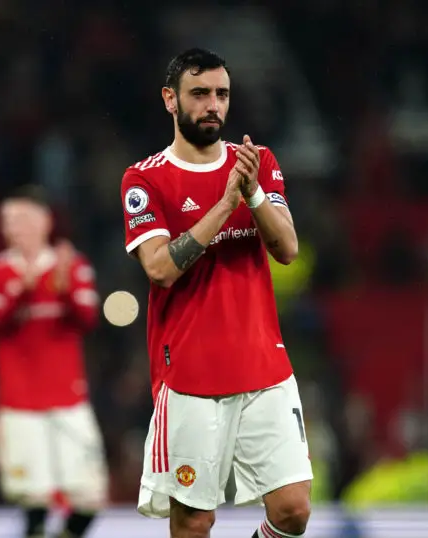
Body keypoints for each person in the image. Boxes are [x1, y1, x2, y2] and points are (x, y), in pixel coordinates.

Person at [120, 48, 313, 538]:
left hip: (263, 365)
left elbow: (287, 249)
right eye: (200, 93)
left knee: (293, 509)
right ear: (170, 99)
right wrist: (226, 205)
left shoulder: (256, 163)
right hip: (190, 373)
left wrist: (251, 194)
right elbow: (160, 269)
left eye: (222, 94)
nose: (213, 105)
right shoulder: (144, 179)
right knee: (194, 522)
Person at [0, 185, 107, 538]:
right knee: (33, 501)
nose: (12, 227)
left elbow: (88, 318)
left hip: (68, 400)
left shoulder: (72, 266)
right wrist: (23, 289)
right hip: (19, 404)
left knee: (89, 497)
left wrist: (64, 288)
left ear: (44, 221)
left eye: (21, 218)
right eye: (7, 220)